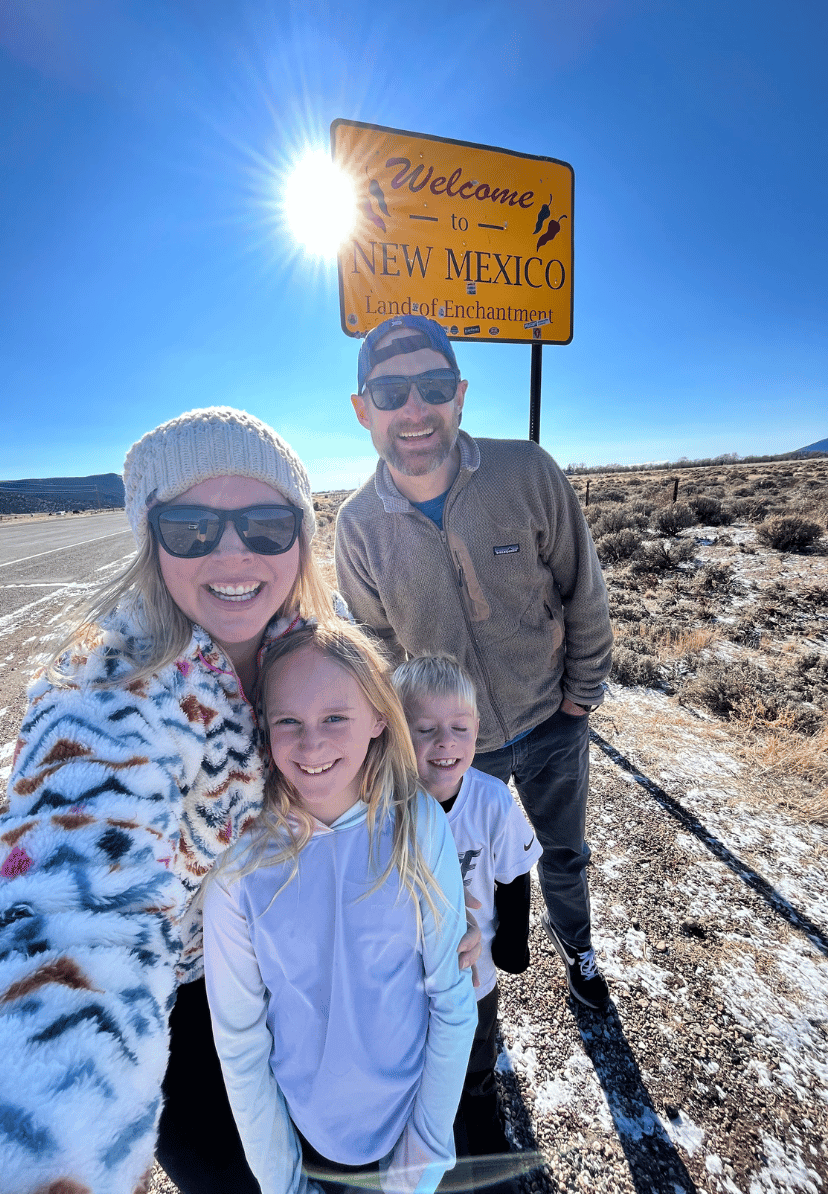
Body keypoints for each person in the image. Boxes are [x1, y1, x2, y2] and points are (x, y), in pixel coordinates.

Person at [0, 406, 482, 1194]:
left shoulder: (311, 639)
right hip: (182, 1010)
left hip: (304, 969)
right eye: (191, 526)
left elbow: (397, 770)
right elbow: (62, 914)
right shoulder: (104, 703)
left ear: (300, 535)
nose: (232, 550)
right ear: (151, 536)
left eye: (264, 523)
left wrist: (442, 897)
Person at [334, 315, 614, 1012]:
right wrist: (420, 736)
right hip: (454, 751)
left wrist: (579, 698)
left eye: (432, 386)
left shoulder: (526, 471)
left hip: (553, 721)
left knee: (564, 856)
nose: (414, 408)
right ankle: (473, 988)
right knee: (457, 873)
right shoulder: (358, 526)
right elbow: (376, 647)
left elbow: (584, 589)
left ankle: (576, 951)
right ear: (363, 410)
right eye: (391, 391)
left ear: (460, 395)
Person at [203, 621, 477, 1194]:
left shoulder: (418, 825)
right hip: (303, 1138)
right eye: (288, 722)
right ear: (263, 727)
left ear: (380, 717)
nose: (312, 744)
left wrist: (420, 1160)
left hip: (411, 1126)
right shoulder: (238, 867)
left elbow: (452, 1003)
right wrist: (283, 1183)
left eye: (335, 718)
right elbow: (241, 1040)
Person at [392, 655, 541, 1163]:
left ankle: (477, 1098)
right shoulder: (382, 805)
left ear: (478, 729)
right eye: (425, 729)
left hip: (474, 969)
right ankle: (423, 1113)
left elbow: (515, 870)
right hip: (406, 970)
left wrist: (514, 939)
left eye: (460, 727)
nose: (445, 743)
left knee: (478, 1037)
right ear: (393, 731)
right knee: (417, 1045)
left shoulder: (492, 801)